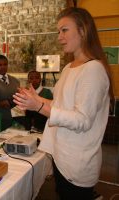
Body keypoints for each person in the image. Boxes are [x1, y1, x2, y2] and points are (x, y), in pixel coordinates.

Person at [13, 7, 113, 200]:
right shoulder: (68, 67)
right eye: (58, 31)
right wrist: (36, 98)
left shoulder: (93, 70)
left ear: (83, 31)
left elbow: (82, 120)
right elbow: (60, 104)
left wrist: (39, 107)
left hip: (77, 163)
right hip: (61, 155)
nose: (59, 37)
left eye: (64, 30)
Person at [0, 54, 20, 130]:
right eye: (0, 65)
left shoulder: (16, 81)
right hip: (0, 118)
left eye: (5, 64)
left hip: (16, 118)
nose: (3, 67)